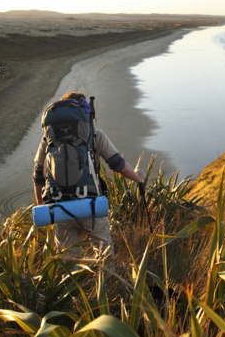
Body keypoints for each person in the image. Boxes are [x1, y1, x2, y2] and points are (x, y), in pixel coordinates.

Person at [32, 91, 146, 264]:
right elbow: (118, 164)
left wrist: (41, 203)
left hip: (60, 205)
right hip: (91, 205)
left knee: (68, 258)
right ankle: (106, 286)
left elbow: (38, 176)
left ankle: (73, 289)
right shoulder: (95, 135)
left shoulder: (47, 139)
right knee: (103, 252)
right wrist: (138, 177)